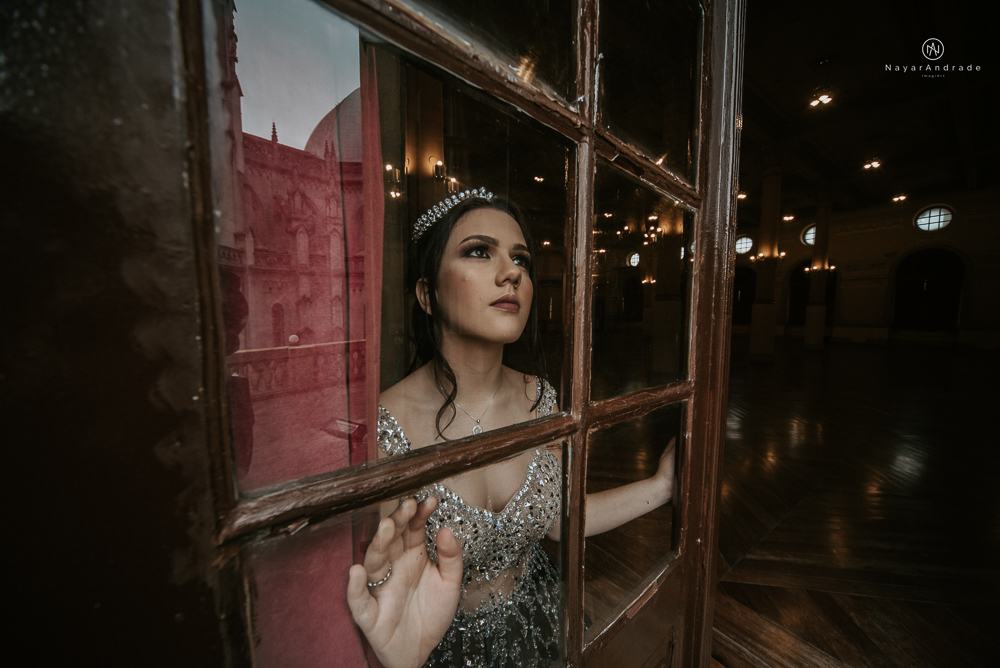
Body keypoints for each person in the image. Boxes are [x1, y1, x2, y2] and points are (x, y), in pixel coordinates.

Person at [347, 188, 675, 668]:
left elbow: (559, 522)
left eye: (520, 258)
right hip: (433, 644)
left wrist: (661, 485)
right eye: (480, 252)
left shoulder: (541, 398)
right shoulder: (384, 424)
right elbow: (372, 575)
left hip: (539, 619)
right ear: (427, 294)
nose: (512, 273)